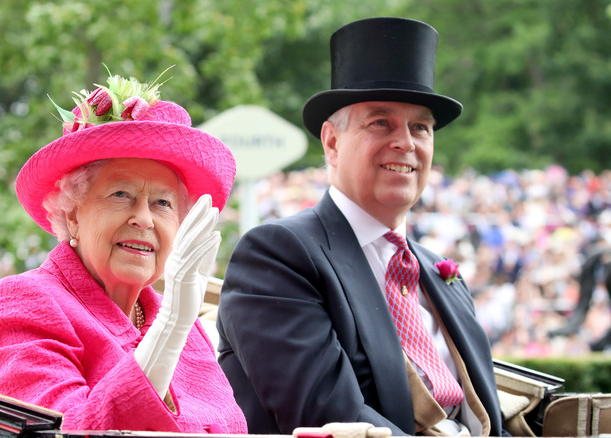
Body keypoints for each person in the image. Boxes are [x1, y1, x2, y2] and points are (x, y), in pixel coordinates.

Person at [216, 17, 505, 436]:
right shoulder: (279, 255)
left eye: (420, 127)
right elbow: (328, 415)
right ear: (332, 142)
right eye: (381, 123)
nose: (405, 142)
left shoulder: (443, 274)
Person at [0, 70, 247, 433]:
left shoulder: (180, 321)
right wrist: (169, 329)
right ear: (72, 213)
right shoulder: (20, 303)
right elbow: (64, 432)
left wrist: (175, 322)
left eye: (162, 203)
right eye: (121, 195)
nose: (144, 219)